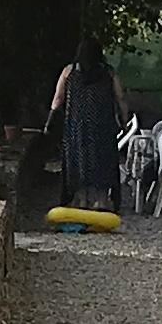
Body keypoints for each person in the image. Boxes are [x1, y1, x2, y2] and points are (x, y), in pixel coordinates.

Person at [53, 40, 126, 209]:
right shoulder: (108, 73)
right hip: (103, 125)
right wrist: (124, 119)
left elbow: (58, 99)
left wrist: (50, 121)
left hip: (76, 126)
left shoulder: (68, 72)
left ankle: (81, 199)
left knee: (77, 160)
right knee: (102, 160)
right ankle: (101, 199)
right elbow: (120, 98)